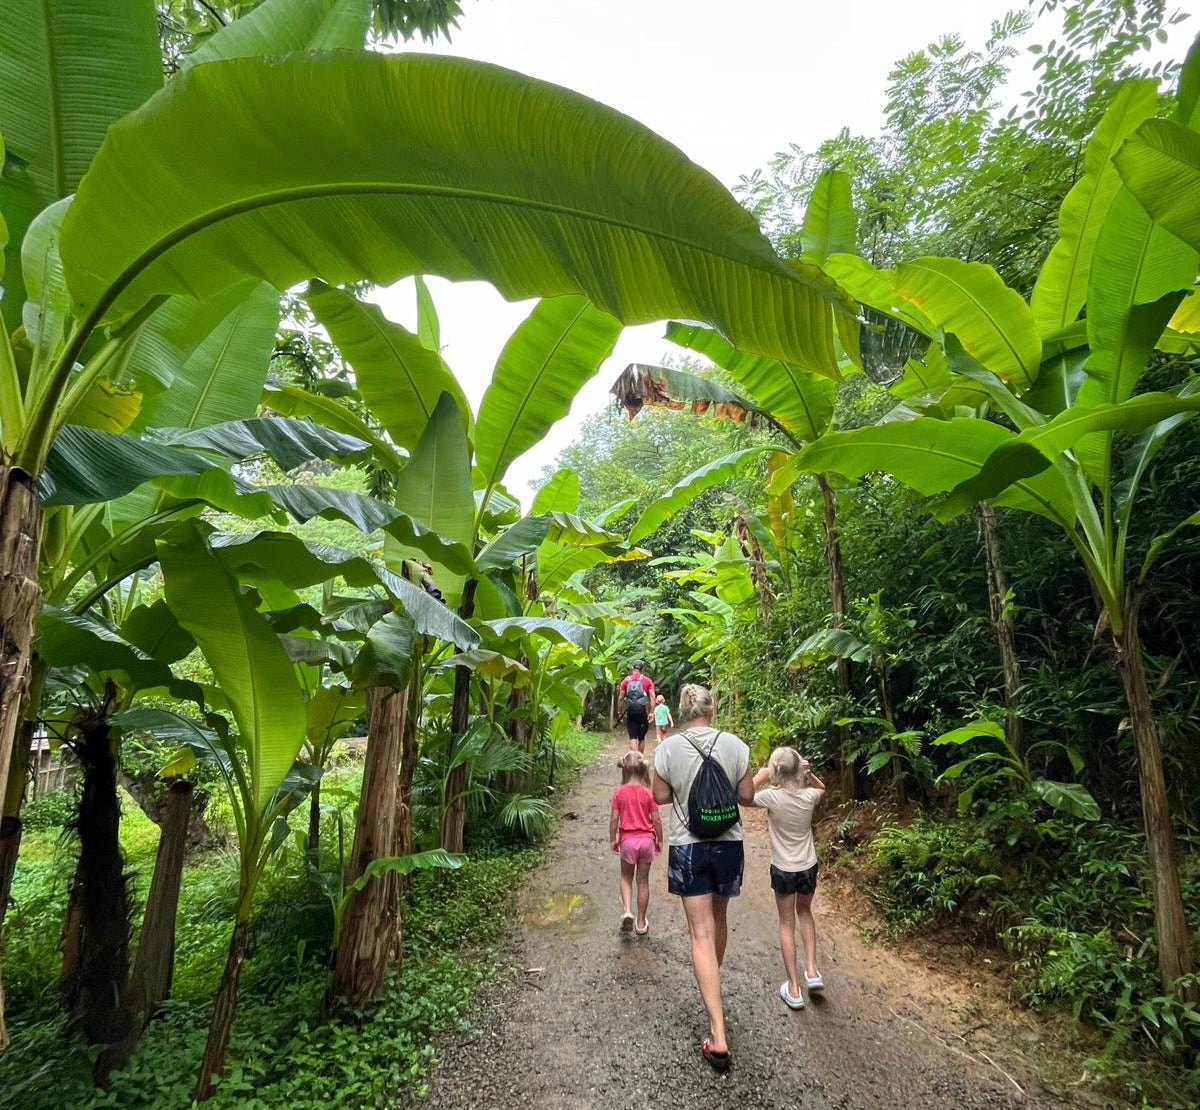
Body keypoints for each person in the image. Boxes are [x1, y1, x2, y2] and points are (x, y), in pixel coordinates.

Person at [652, 684, 754, 1073]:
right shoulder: (735, 745)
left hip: (688, 847)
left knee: (700, 933)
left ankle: (718, 1032)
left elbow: (660, 796)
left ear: (681, 711)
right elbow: (746, 796)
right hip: (729, 845)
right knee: (719, 919)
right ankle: (713, 987)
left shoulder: (667, 749)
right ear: (712, 710)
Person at [751, 746, 826, 1010]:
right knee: (805, 913)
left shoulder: (771, 797)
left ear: (776, 771)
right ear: (799, 769)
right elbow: (823, 789)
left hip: (783, 868)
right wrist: (811, 774)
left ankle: (793, 988)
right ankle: (813, 972)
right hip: (808, 866)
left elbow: (743, 796)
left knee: (786, 923)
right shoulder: (809, 796)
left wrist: (760, 776)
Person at [609, 751, 663, 935]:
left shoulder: (619, 792)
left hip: (628, 841)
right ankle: (640, 923)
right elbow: (656, 820)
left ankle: (627, 912)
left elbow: (614, 819)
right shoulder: (649, 792)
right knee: (643, 882)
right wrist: (660, 839)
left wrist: (612, 839)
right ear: (642, 770)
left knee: (626, 878)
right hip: (647, 841)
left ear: (624, 770)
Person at [618, 661, 655, 752]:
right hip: (642, 711)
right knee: (641, 738)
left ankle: (634, 760)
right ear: (642, 669)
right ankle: (640, 760)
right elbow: (653, 697)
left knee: (633, 737)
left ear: (632, 668)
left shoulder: (626, 681)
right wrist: (651, 712)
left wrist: (619, 712)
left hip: (631, 711)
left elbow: (620, 698)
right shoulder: (647, 680)